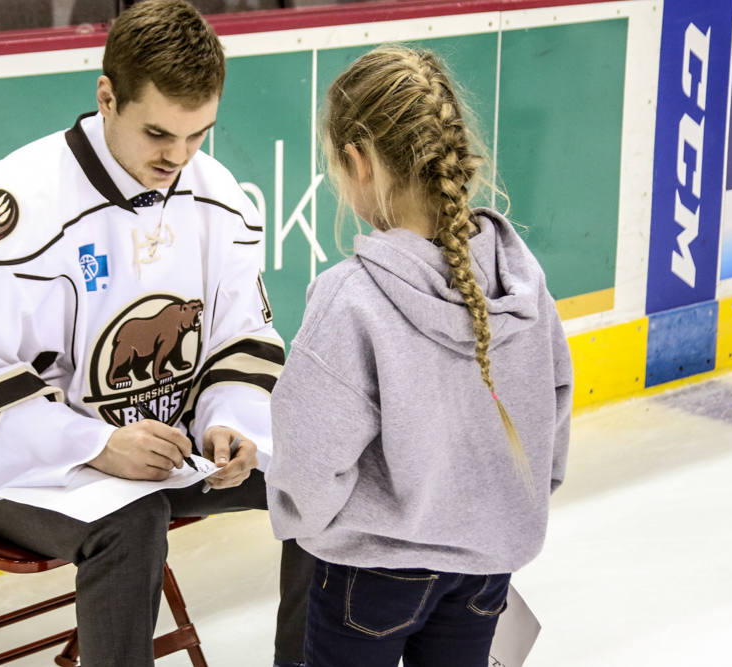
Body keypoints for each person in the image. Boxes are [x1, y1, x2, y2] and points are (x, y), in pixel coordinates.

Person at [0, 2, 312, 665]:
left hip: (169, 447)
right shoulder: (13, 204)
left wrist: (228, 422)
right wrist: (96, 443)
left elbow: (241, 337)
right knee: (131, 522)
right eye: (158, 133)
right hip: (32, 467)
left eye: (197, 135)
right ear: (107, 96)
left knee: (319, 470)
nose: (177, 158)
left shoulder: (220, 197)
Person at [265, 45, 573, 667]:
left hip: (369, 580)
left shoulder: (349, 297)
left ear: (359, 162)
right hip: (486, 574)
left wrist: (312, 522)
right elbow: (550, 442)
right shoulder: (524, 283)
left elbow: (306, 475)